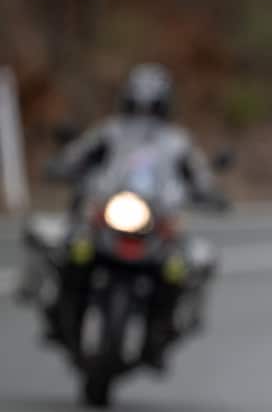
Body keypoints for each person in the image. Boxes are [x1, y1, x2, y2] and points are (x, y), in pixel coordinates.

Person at [20, 63, 227, 368]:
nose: (144, 112)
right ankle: (50, 303)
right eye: (138, 104)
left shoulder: (177, 142)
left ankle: (169, 327)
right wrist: (61, 167)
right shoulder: (109, 132)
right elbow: (77, 156)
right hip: (107, 214)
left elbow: (200, 176)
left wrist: (209, 192)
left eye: (151, 105)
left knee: (187, 265)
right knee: (63, 244)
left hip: (156, 223)